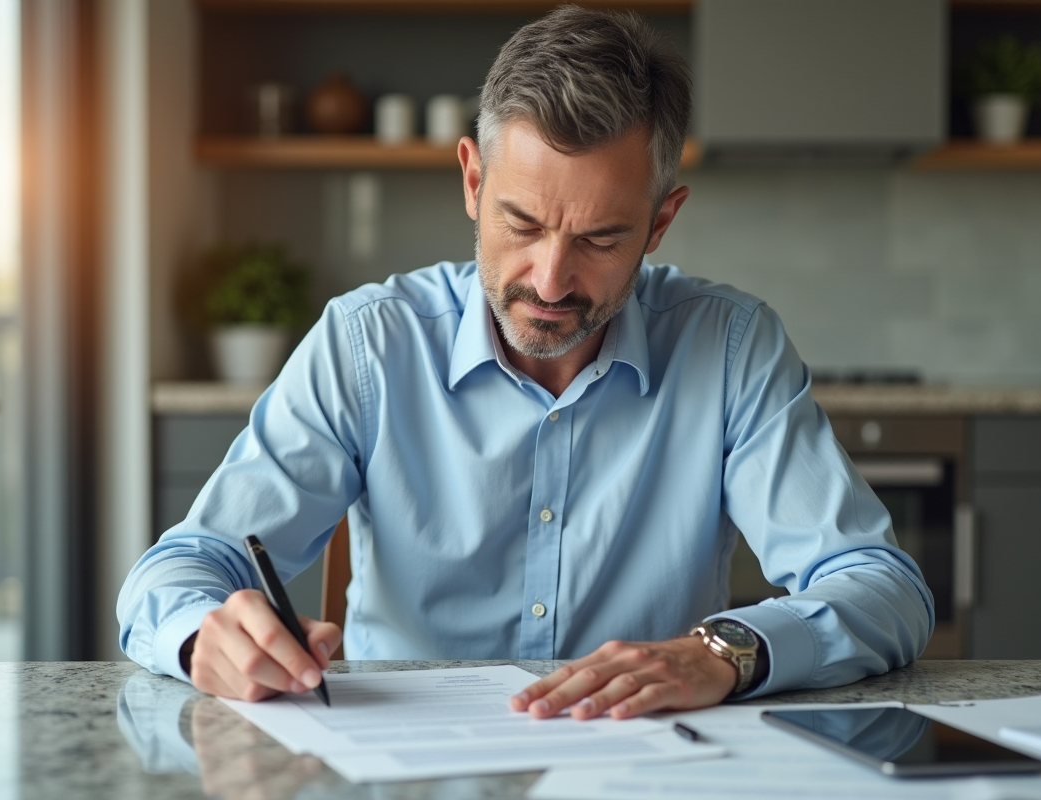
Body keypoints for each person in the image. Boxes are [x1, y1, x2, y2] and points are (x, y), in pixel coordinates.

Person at [118, 6, 933, 720]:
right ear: (473, 181)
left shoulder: (729, 349)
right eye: (521, 222)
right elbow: (182, 567)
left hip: (645, 769)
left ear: (660, 224)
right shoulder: (368, 344)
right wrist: (204, 637)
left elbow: (881, 585)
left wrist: (725, 653)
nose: (549, 280)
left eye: (601, 239)